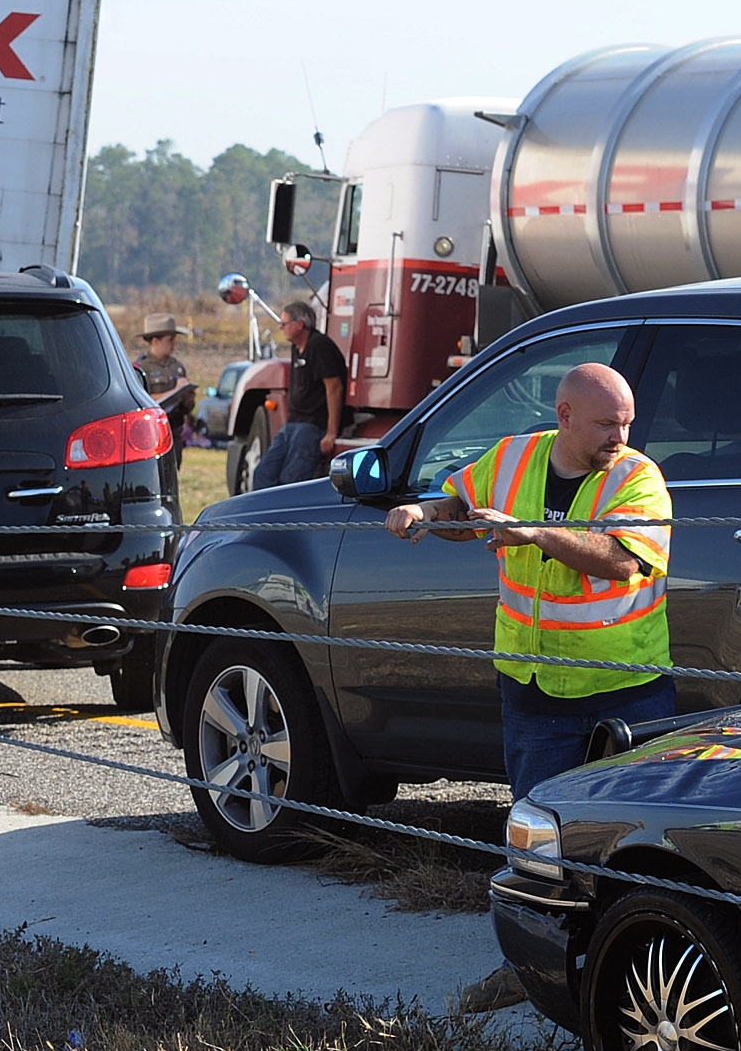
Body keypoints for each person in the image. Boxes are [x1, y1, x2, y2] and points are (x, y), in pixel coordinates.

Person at [385, 362, 673, 1011]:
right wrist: (422, 511)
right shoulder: (514, 456)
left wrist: (531, 531)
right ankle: (533, 971)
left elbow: (624, 560)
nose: (620, 436)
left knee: (636, 845)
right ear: (564, 415)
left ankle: (633, 981)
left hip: (625, 692)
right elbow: (462, 509)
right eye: (606, 423)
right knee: (541, 840)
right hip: (535, 688)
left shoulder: (639, 477)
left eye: (627, 422)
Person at [250, 300, 345, 489]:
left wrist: (331, 432)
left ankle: (286, 518)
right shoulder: (296, 347)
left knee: (292, 481)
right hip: (292, 424)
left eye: (284, 323)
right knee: (263, 474)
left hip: (311, 426)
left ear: (300, 325)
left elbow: (334, 387)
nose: (280, 327)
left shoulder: (319, 346)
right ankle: (262, 517)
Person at [133, 314, 195, 496]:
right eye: (170, 339)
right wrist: (173, 390)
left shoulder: (178, 367)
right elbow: (141, 400)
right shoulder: (140, 369)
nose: (174, 343)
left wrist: (188, 396)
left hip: (174, 431)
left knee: (172, 477)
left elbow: (186, 408)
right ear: (155, 340)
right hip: (150, 434)